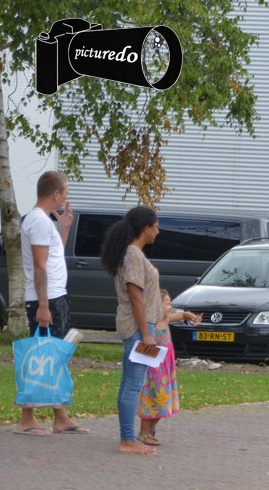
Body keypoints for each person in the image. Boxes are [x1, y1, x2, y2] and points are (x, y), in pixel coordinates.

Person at [14, 171, 90, 436]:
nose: (67, 196)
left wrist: (65, 227)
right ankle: (26, 418)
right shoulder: (37, 221)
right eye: (65, 191)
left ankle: (61, 417)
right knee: (39, 356)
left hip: (55, 295)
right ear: (55, 194)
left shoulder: (45, 221)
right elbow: (40, 266)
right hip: (47, 298)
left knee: (57, 357)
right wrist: (44, 306)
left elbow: (54, 255)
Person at [100, 206, 163, 456]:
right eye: (156, 226)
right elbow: (135, 297)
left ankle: (127, 437)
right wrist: (147, 334)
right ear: (146, 228)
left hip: (138, 325)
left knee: (129, 382)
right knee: (133, 384)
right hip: (138, 326)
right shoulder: (134, 255)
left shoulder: (131, 253)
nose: (158, 231)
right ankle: (127, 440)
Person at [137, 289, 202, 446]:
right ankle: (143, 434)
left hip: (166, 367)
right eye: (167, 304)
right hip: (153, 368)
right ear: (157, 305)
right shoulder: (149, 323)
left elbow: (182, 315)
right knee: (153, 398)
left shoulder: (166, 319)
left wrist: (192, 316)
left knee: (165, 399)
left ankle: (150, 431)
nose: (170, 307)